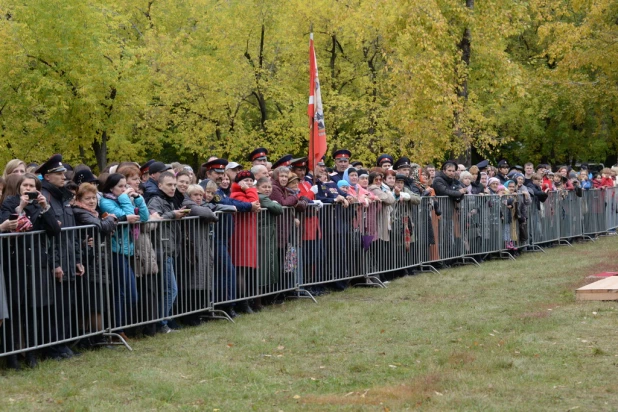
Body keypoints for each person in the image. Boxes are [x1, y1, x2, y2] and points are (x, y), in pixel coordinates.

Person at [0, 173, 61, 368]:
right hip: (15, 264)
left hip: (36, 264)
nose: (28, 189)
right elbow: (8, 224)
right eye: (25, 185)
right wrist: (21, 207)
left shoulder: (39, 205)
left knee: (33, 311)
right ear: (19, 187)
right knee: (15, 313)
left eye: (32, 186)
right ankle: (12, 358)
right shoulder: (10, 203)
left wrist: (45, 207)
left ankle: (32, 355)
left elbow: (54, 230)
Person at [37, 154, 85, 358]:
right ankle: (54, 347)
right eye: (58, 174)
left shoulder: (63, 198)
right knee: (55, 308)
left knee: (67, 305)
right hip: (55, 263)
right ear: (47, 177)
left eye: (63, 173)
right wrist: (56, 263)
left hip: (68, 258)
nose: (63, 176)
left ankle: (64, 344)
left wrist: (77, 259)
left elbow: (71, 232)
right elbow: (50, 238)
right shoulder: (46, 198)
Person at [99, 173, 149, 338]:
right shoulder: (106, 201)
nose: (124, 189)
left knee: (129, 293)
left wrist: (139, 199)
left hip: (127, 249)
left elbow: (143, 217)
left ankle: (123, 328)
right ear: (111, 187)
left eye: (124, 185)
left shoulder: (124, 199)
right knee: (123, 292)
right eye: (120, 186)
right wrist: (125, 198)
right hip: (115, 250)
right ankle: (118, 329)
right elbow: (129, 217)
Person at [72, 182, 118, 345]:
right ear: (79, 199)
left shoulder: (94, 212)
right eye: (87, 198)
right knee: (94, 302)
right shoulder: (80, 212)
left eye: (93, 198)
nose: (92, 201)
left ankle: (95, 336)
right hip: (89, 262)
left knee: (98, 300)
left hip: (99, 259)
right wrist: (111, 219)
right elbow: (98, 227)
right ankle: (96, 337)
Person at [147, 171, 189, 332]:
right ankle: (161, 323)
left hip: (170, 248)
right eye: (169, 185)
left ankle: (165, 321)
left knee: (169, 289)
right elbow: (155, 218)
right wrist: (173, 214)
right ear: (160, 185)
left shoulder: (170, 200)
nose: (173, 188)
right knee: (170, 289)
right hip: (161, 249)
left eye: (174, 185)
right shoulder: (156, 200)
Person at [229, 170, 259, 313]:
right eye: (245, 181)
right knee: (240, 269)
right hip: (240, 235)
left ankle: (247, 301)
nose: (248, 183)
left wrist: (249, 189)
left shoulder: (245, 193)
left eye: (250, 181)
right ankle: (243, 303)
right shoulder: (237, 194)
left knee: (245, 270)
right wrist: (249, 190)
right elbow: (254, 202)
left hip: (247, 235)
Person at [255, 177, 284, 306]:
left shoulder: (264, 198)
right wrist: (275, 203)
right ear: (258, 188)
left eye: (269, 187)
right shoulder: (261, 198)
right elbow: (278, 208)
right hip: (262, 236)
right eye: (264, 187)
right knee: (262, 267)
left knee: (267, 266)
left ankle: (265, 298)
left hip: (267, 235)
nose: (267, 189)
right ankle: (258, 300)